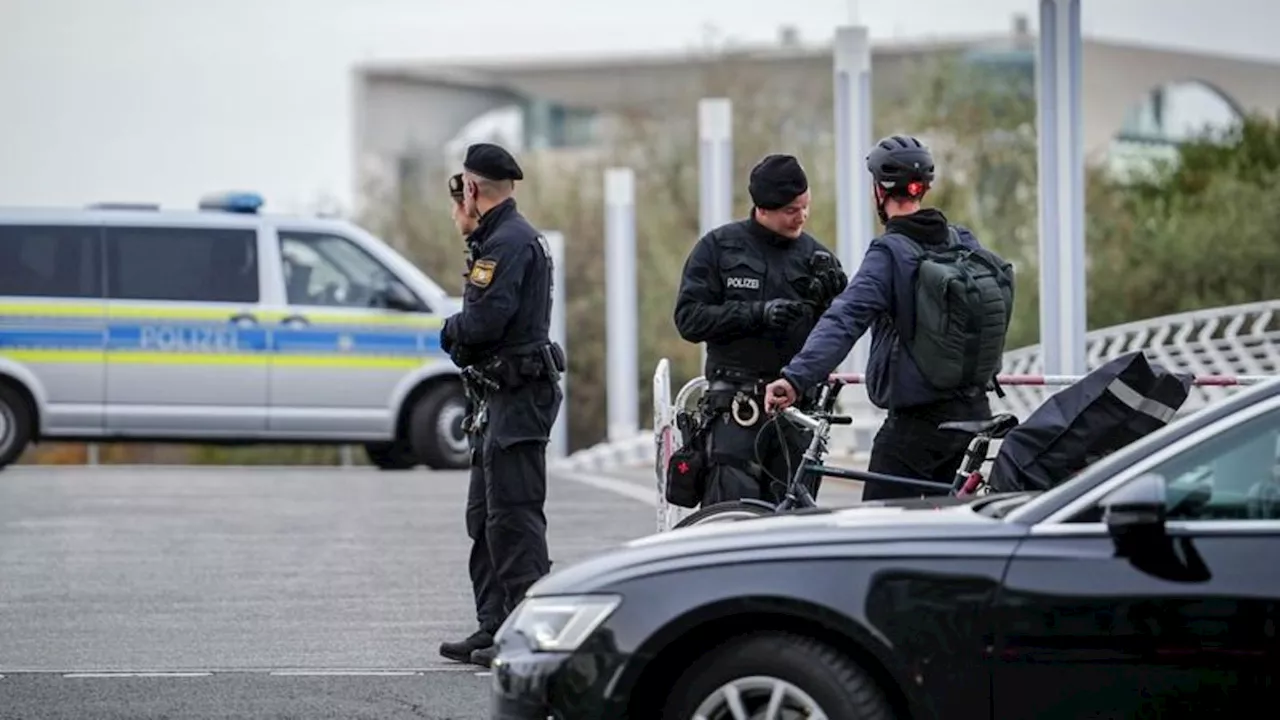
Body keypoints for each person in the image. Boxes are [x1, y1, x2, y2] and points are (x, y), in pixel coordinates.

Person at [764, 135, 1015, 500]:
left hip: (917, 429)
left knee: (877, 535)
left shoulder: (890, 252)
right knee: (947, 533)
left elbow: (845, 318)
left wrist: (795, 378)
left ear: (879, 192)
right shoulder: (962, 241)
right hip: (975, 412)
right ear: (923, 189)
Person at [437, 143, 565, 668]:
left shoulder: (506, 243)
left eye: (459, 192)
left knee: (513, 518)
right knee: (486, 517)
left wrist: (449, 332)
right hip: (500, 397)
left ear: (470, 189)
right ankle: (494, 627)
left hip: (517, 396)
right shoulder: (502, 237)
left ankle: (527, 634)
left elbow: (485, 323)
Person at [672, 154, 848, 508]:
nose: (801, 217)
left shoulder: (817, 259)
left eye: (805, 206)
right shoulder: (719, 248)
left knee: (793, 527)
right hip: (736, 409)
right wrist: (756, 314)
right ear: (763, 208)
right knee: (730, 522)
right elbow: (689, 320)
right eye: (790, 210)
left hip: (797, 413)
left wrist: (830, 306)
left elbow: (837, 335)